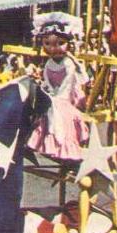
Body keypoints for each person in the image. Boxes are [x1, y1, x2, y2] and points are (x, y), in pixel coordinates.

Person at [27, 12, 90, 161]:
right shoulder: (48, 63)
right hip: (54, 93)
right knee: (44, 107)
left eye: (59, 43)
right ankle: (46, 143)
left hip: (68, 96)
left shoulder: (68, 63)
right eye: (47, 43)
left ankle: (66, 148)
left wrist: (58, 98)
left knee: (62, 111)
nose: (53, 48)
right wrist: (49, 92)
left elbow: (68, 84)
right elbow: (47, 80)